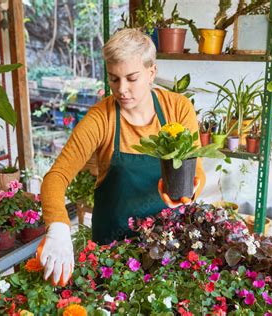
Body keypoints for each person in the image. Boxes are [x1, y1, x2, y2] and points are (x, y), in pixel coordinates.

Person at [39, 29, 206, 285]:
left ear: (151, 72)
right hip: (112, 250)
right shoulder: (101, 118)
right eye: (114, 79)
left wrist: (187, 191)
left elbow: (196, 171)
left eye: (131, 78)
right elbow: (56, 177)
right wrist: (59, 228)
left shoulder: (177, 109)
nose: (122, 90)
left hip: (166, 244)